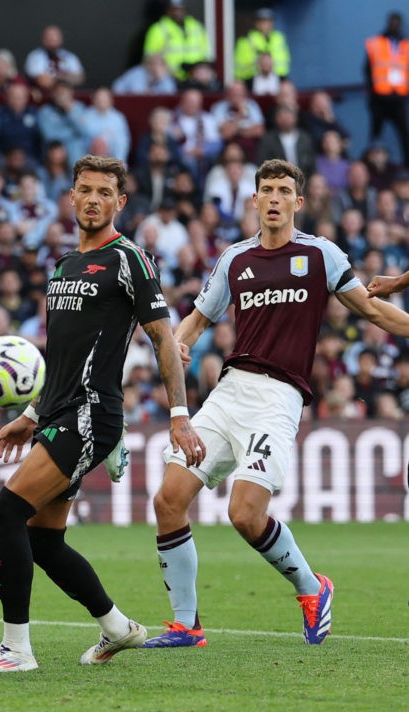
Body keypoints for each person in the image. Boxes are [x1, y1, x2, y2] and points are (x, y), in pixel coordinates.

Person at [143, 159, 409, 649]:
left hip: (278, 397)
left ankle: (312, 588)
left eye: (283, 191)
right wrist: (176, 344)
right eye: (265, 189)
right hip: (229, 391)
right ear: (253, 200)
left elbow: (372, 310)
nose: (272, 198)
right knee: (168, 500)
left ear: (297, 202)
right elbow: (196, 321)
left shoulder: (320, 254)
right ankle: (186, 625)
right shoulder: (234, 259)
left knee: (245, 514)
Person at [0, 155, 205, 673]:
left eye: (104, 192)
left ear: (120, 201)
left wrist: (179, 413)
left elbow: (162, 337)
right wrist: (32, 411)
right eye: (84, 190)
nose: (93, 199)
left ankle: (16, 650)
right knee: (43, 541)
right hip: (57, 413)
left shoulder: (129, 258)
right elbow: (66, 356)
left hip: (91, 416)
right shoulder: (63, 266)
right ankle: (118, 628)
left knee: (4, 513)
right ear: (70, 197)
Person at [364, 12, 409, 166]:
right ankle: (370, 164)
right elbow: (367, 70)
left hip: (399, 98)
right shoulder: (376, 43)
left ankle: (406, 164)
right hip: (380, 98)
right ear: (388, 23)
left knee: (404, 134)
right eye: (392, 22)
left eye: (397, 22)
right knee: (375, 134)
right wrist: (371, 95)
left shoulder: (405, 45)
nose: (394, 25)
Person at [143, 0, 211, 83]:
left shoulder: (196, 27)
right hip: (170, 79)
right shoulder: (158, 29)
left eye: (180, 9)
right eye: (174, 9)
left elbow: (207, 54)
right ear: (168, 10)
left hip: (196, 78)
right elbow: (150, 58)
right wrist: (167, 72)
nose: (177, 13)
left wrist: (201, 70)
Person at [234, 8, 290, 82]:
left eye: (269, 21)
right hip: (251, 81)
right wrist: (259, 63)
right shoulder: (246, 40)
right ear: (256, 23)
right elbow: (240, 68)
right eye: (263, 21)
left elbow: (284, 63)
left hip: (278, 79)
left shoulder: (279, 38)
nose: (266, 25)